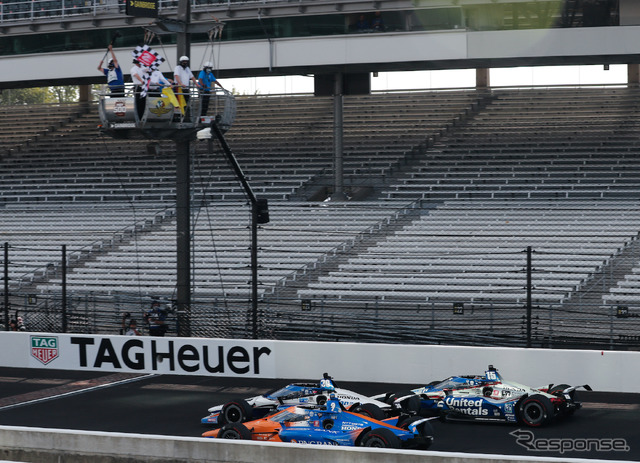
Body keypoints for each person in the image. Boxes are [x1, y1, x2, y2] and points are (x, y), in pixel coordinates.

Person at [173, 55, 199, 120]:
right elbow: (176, 76)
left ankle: (186, 117)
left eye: (186, 62)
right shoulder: (178, 68)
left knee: (187, 103)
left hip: (186, 88)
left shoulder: (187, 69)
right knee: (179, 102)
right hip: (179, 88)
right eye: (184, 61)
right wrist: (180, 83)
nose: (185, 63)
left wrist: (196, 84)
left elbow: (192, 77)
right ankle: (178, 117)